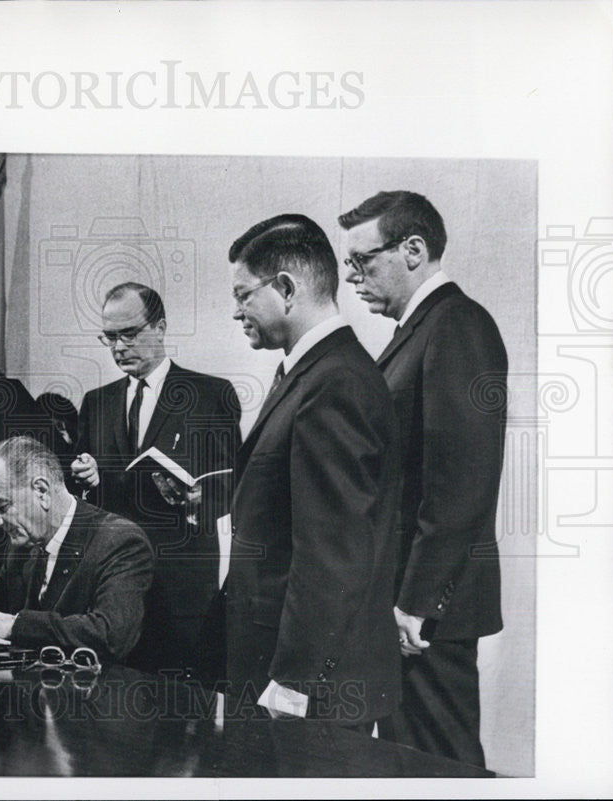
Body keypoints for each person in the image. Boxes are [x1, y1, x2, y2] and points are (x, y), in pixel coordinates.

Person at [339, 191, 507, 766]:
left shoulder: (458, 325)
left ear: (413, 249)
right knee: (416, 761)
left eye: (362, 261)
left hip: (428, 609)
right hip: (411, 602)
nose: (352, 277)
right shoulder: (422, 329)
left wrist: (415, 604)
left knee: (441, 763)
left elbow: (461, 483)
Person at [225, 214, 401, 730]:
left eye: (243, 295)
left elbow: (333, 553)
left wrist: (294, 682)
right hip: (286, 666)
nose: (236, 311)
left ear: (285, 288)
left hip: (308, 685)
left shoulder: (336, 382)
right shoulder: (313, 373)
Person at [69, 282, 242, 680]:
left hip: (182, 588)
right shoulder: (96, 403)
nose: (118, 347)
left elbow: (234, 485)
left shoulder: (210, 395)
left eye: (128, 334)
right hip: (115, 590)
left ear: (160, 327)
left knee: (184, 715)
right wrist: (83, 477)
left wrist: (200, 496)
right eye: (109, 337)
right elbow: (81, 496)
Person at [0, 436, 154, 662]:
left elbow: (110, 635)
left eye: (1, 506)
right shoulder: (24, 544)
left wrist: (15, 625)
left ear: (42, 491)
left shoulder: (119, 541)